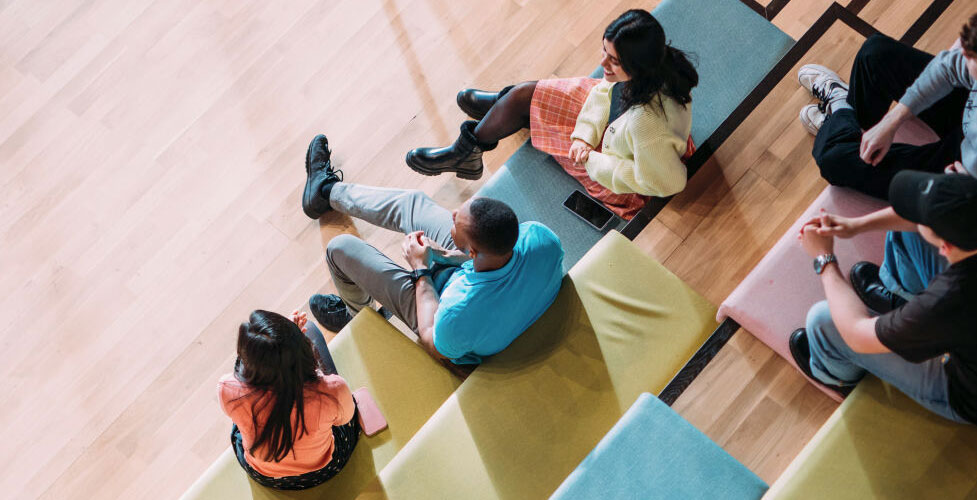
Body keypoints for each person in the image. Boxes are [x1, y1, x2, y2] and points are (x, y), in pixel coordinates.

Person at [789, 171, 977, 425]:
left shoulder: (949, 302)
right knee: (906, 233)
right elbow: (930, 218)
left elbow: (856, 335)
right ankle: (903, 303)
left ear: (945, 247)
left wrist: (824, 259)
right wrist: (856, 225)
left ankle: (838, 374)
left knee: (823, 322)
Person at [797, 11, 977, 236]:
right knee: (875, 53)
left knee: (832, 157)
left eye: (970, 59)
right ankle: (846, 120)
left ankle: (839, 109)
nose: (961, 56)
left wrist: (973, 195)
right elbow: (946, 67)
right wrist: (894, 120)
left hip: (969, 165)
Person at [403, 9, 699, 219]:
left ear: (637, 65)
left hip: (613, 165)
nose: (603, 63)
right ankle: (501, 111)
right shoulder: (655, 67)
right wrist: (584, 134)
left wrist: (592, 158)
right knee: (524, 97)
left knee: (525, 103)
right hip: (612, 131)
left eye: (613, 60)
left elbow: (668, 183)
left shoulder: (646, 123)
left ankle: (479, 138)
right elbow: (604, 93)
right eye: (604, 53)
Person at [300, 134, 565, 368]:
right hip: (471, 277)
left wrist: (421, 269)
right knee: (412, 203)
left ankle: (355, 315)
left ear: (473, 251)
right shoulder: (541, 238)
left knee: (340, 248)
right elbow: (494, 260)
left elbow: (430, 339)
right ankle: (325, 191)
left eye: (456, 221)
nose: (452, 213)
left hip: (438, 311)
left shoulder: (456, 314)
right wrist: (447, 256)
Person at [218, 310, 356, 490]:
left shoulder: (226, 388)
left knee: (241, 418)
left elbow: (243, 373)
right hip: (323, 470)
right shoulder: (332, 390)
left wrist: (275, 346)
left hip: (264, 475)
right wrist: (289, 340)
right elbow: (345, 418)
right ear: (304, 353)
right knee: (312, 329)